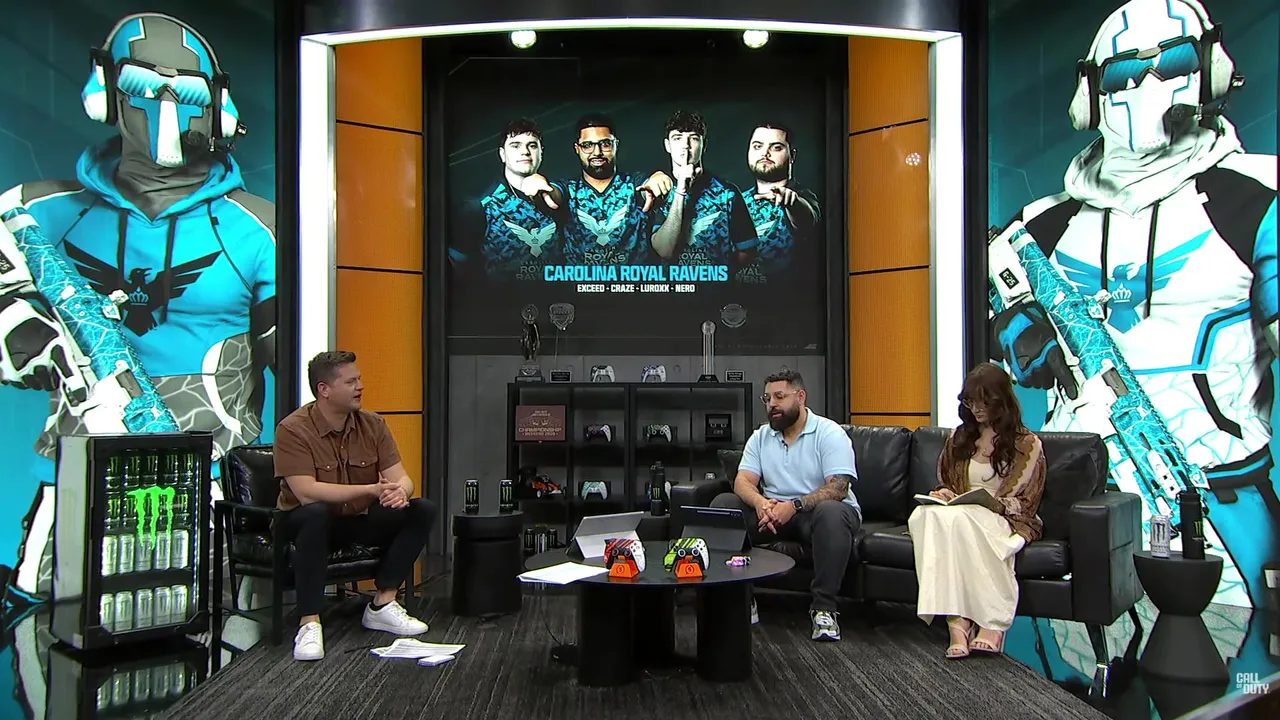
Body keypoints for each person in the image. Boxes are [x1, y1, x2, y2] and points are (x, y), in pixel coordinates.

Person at [990, 0, 1275, 610]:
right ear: (1093, 91)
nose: (1147, 87)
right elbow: (1010, 336)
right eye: (1122, 74)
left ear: (1209, 68)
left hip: (1217, 497)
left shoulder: (1256, 199)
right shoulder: (1038, 230)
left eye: (1172, 64)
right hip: (1077, 489)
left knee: (1228, 649)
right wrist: (1021, 335)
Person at [0, 11, 276, 602]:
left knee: (215, 637)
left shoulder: (260, 228)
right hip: (77, 478)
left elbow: (301, 359)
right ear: (107, 92)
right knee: (49, 634)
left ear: (218, 106)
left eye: (189, 95)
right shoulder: (35, 214)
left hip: (208, 481)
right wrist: (39, 342)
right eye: (143, 88)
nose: (166, 110)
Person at [273, 351, 437, 662]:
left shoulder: (373, 424)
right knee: (316, 513)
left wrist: (400, 493)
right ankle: (309, 622)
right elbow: (306, 493)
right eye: (351, 382)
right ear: (324, 389)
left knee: (421, 509)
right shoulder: (293, 429)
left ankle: (383, 603)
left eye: (359, 379)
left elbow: (402, 478)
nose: (360, 386)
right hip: (303, 524)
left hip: (353, 521)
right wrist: (372, 489)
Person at [710, 369, 861, 641]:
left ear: (800, 397)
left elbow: (839, 488)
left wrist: (794, 506)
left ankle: (824, 609)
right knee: (724, 504)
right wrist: (760, 503)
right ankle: (742, 598)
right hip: (773, 513)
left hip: (817, 513)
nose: (772, 405)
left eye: (779, 397)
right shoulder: (761, 437)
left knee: (831, 513)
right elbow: (743, 481)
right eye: (767, 399)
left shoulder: (829, 433)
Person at [909, 363, 1046, 659]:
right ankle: (957, 619)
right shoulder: (959, 437)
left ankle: (990, 622)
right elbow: (949, 482)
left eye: (984, 402)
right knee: (924, 515)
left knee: (961, 518)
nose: (976, 409)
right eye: (971, 402)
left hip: (1005, 517)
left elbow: (1027, 499)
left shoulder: (1027, 443)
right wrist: (945, 494)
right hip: (961, 512)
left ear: (1001, 400)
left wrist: (992, 503)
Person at [448, 118, 564, 281]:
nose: (525, 152)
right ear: (502, 154)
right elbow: (456, 268)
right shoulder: (481, 207)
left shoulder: (557, 198)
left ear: (541, 152)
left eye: (532, 145)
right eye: (515, 145)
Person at [648, 110, 757, 268]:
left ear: (703, 144)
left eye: (693, 138)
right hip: (672, 283)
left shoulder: (727, 193)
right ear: (667, 145)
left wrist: (720, 276)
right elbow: (665, 250)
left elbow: (747, 250)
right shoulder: (659, 190)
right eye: (677, 138)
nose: (686, 146)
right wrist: (680, 190)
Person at [558, 113, 670, 266]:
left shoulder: (634, 184)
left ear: (616, 144)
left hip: (633, 280)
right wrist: (539, 186)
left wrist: (657, 180)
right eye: (587, 145)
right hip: (580, 280)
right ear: (577, 149)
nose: (597, 152)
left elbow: (647, 188)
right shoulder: (568, 189)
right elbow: (553, 194)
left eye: (605, 144)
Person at [740, 123, 821, 278]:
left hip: (785, 292)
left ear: (792, 156)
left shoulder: (803, 197)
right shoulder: (737, 200)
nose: (765, 153)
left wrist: (792, 203)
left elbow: (807, 220)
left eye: (776, 147)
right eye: (757, 146)